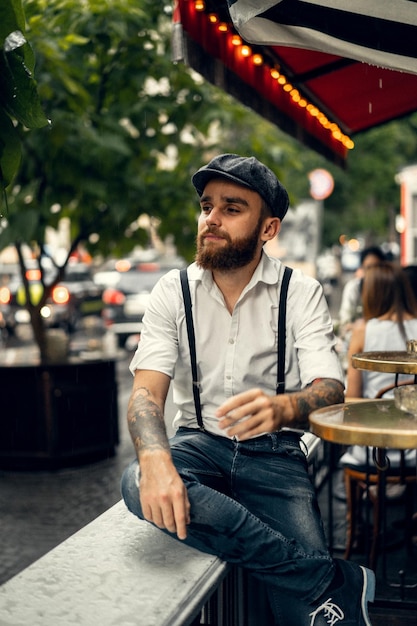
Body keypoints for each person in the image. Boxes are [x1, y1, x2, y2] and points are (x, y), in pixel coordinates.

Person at [121, 153, 375, 625]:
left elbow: (330, 390)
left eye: (232, 208)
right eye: (206, 206)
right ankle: (327, 580)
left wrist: (282, 408)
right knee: (136, 481)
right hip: (198, 445)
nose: (211, 219)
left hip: (275, 455)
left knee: (303, 619)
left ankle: (309, 589)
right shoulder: (171, 291)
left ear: (268, 229)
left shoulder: (300, 292)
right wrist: (156, 461)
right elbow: (145, 395)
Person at [342, 262, 417, 468]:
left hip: (373, 450)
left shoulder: (362, 332)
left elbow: (352, 400)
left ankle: (367, 491)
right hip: (413, 446)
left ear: (372, 294)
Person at [338, 246, 387, 334]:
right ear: (362, 268)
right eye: (368, 268)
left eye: (376, 267)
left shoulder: (389, 288)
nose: (373, 272)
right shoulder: (353, 288)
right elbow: (345, 321)